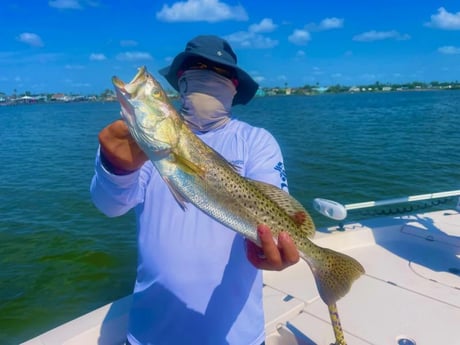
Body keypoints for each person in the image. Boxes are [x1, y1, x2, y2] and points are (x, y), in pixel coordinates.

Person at [90, 35, 299, 345]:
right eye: (195, 67)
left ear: (234, 86)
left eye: (219, 71)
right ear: (181, 82)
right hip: (150, 334)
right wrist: (117, 167)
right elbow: (109, 205)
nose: (207, 75)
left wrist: (274, 249)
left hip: (238, 336)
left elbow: (278, 211)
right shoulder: (140, 142)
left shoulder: (257, 141)